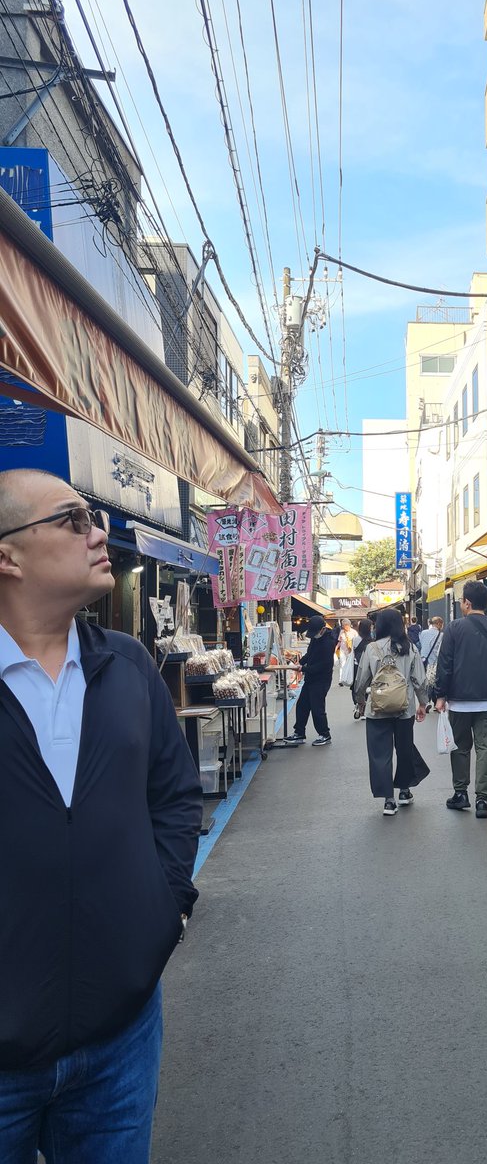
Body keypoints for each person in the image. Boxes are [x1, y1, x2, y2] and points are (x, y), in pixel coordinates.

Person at [0, 468, 202, 1162]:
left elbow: (174, 796)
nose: (99, 532)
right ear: (8, 553)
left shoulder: (128, 666)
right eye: (73, 519)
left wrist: (167, 907)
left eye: (95, 518)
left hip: (121, 1035)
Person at [433, 580, 487, 819]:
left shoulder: (453, 628)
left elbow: (445, 665)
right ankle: (483, 799)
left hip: (459, 701)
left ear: (467, 603)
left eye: (461, 601)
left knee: (460, 747)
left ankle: (461, 794)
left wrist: (440, 695)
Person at [353, 607, 429, 815]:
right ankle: (404, 791)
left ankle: (388, 800)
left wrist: (360, 700)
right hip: (404, 709)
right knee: (404, 749)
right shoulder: (410, 647)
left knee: (380, 754)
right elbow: (419, 679)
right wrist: (423, 703)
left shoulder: (372, 648)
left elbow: (361, 679)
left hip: (377, 709)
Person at [289, 615, 335, 745]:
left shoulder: (328, 643)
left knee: (317, 708)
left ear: (322, 629)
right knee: (302, 705)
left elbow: (324, 666)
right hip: (311, 678)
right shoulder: (316, 639)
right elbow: (310, 654)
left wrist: (303, 669)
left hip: (321, 680)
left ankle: (325, 734)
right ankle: (299, 733)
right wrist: (300, 662)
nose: (313, 635)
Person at [418, 615, 444, 710]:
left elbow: (421, 643)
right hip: (434, 661)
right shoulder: (441, 635)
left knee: (426, 681)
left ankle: (429, 701)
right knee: (433, 681)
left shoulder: (423, 633)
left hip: (423, 660)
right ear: (438, 624)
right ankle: (431, 701)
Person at [351, 616, 373, 720]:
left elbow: (353, 651)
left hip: (357, 665)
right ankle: (364, 708)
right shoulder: (372, 640)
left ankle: (358, 705)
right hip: (368, 666)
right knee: (367, 685)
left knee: (357, 685)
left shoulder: (355, 639)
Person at [336, 618, 355, 686]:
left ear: (349, 625)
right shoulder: (341, 632)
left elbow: (357, 642)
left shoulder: (354, 632)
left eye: (345, 625)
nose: (344, 627)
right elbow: (339, 641)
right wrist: (335, 648)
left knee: (350, 665)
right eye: (343, 626)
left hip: (351, 651)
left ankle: (349, 678)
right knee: (342, 665)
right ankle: (341, 680)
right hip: (342, 650)